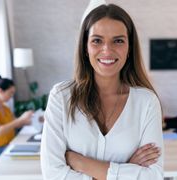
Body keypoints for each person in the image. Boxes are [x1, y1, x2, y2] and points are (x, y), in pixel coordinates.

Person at [41, 3, 163, 180]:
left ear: (129, 48)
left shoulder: (147, 102)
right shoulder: (61, 97)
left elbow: (153, 177)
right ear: (85, 47)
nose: (107, 50)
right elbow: (52, 174)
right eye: (97, 40)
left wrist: (80, 162)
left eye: (118, 40)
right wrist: (127, 169)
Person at [0, 74, 33, 162]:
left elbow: (15, 124)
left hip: (11, 144)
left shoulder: (5, 107)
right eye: (10, 93)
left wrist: (28, 119)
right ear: (0, 91)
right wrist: (21, 119)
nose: (11, 96)